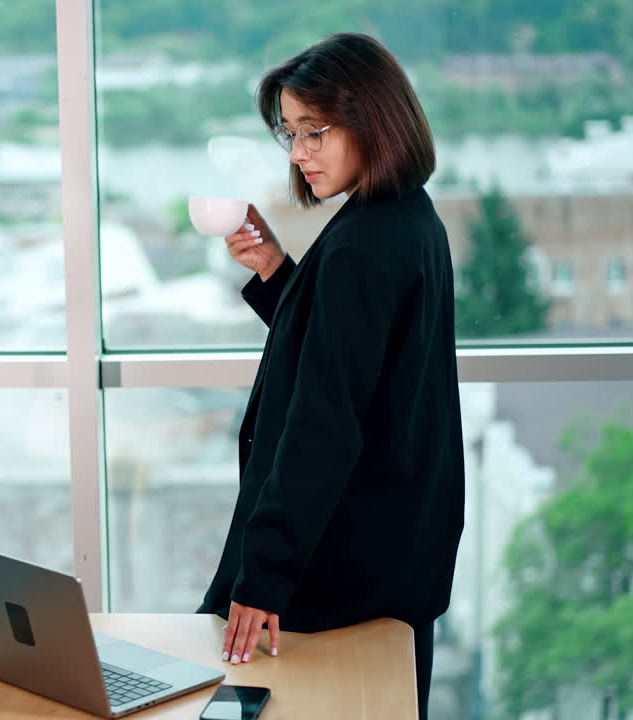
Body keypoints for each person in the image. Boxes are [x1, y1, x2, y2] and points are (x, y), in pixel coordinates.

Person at [195, 33, 465, 719]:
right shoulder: (407, 220)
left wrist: (264, 576)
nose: (299, 153)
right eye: (291, 134)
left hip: (340, 562)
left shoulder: (362, 246)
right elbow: (349, 356)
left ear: (374, 118)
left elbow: (325, 420)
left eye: (315, 131)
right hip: (391, 550)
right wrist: (275, 272)